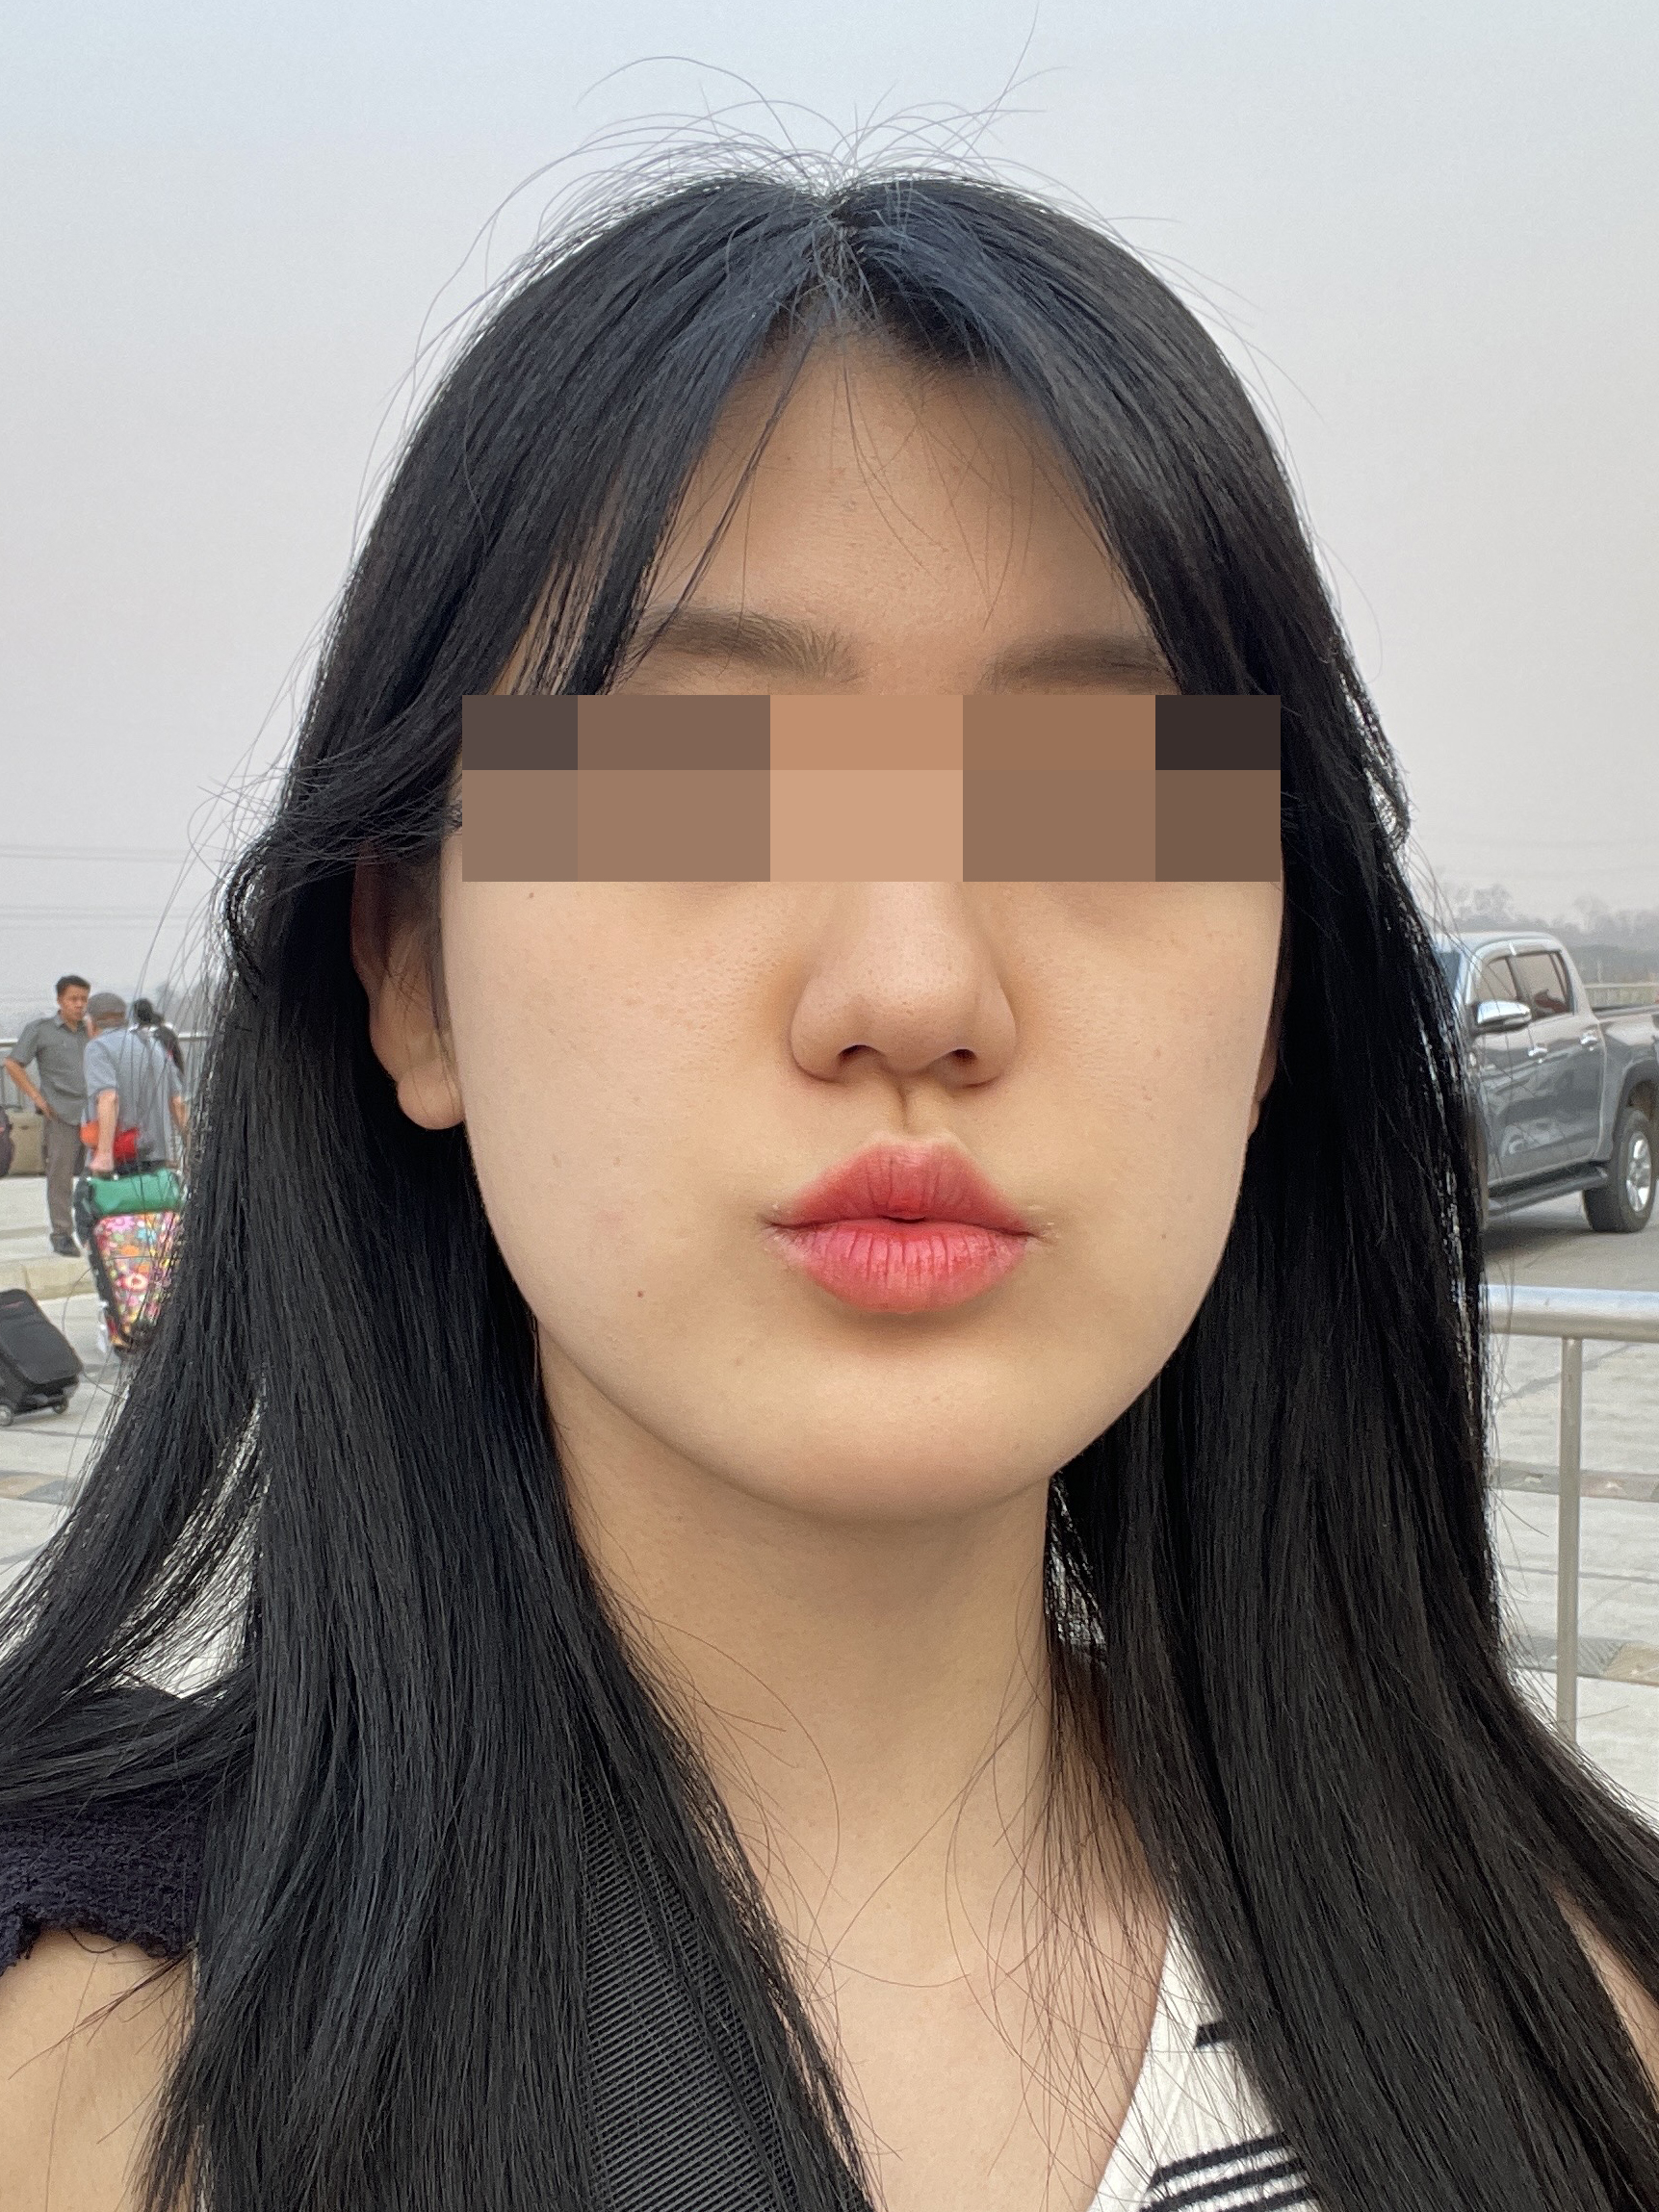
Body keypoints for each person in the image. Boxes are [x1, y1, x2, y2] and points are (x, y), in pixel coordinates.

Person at [1, 162, 1658, 2212]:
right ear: (411, 975)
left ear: (1270, 1011)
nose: (912, 988)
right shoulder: (89, 2082)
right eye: (703, 785)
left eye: (1099, 799)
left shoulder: (1568, 2016)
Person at [3, 973, 91, 1255]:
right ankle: (62, 1233)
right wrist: (36, 1097)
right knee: (60, 1176)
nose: (79, 1005)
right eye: (73, 999)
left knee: (95, 1174)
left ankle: (95, 1228)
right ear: (60, 1000)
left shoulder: (91, 1030)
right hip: (60, 1113)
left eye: (84, 999)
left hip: (93, 1113)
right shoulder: (41, 1030)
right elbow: (13, 1063)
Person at [80, 990, 189, 1176]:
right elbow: (177, 1103)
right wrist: (191, 1146)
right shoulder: (154, 1045)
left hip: (120, 1156)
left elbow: (109, 1098)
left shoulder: (98, 1047)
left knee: (88, 1193)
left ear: (91, 1022)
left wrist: (104, 1155)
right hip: (157, 1159)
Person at [130, 996, 187, 1079]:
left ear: (136, 1015)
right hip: (168, 1076)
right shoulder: (167, 1031)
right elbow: (177, 1058)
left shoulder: (133, 1035)